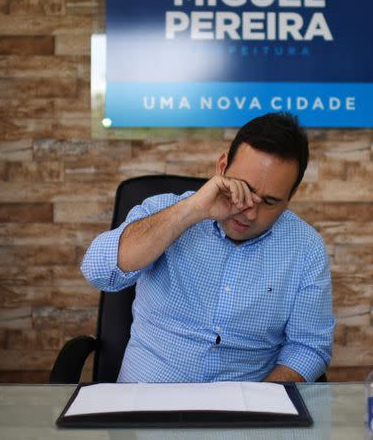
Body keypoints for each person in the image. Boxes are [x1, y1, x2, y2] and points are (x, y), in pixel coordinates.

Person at [81, 112, 335, 383]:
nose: (249, 213)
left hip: (242, 413)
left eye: (270, 202)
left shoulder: (306, 248)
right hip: (146, 403)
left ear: (290, 196)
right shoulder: (162, 210)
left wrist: (260, 405)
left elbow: (308, 347)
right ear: (222, 167)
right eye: (243, 190)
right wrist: (191, 211)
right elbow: (97, 270)